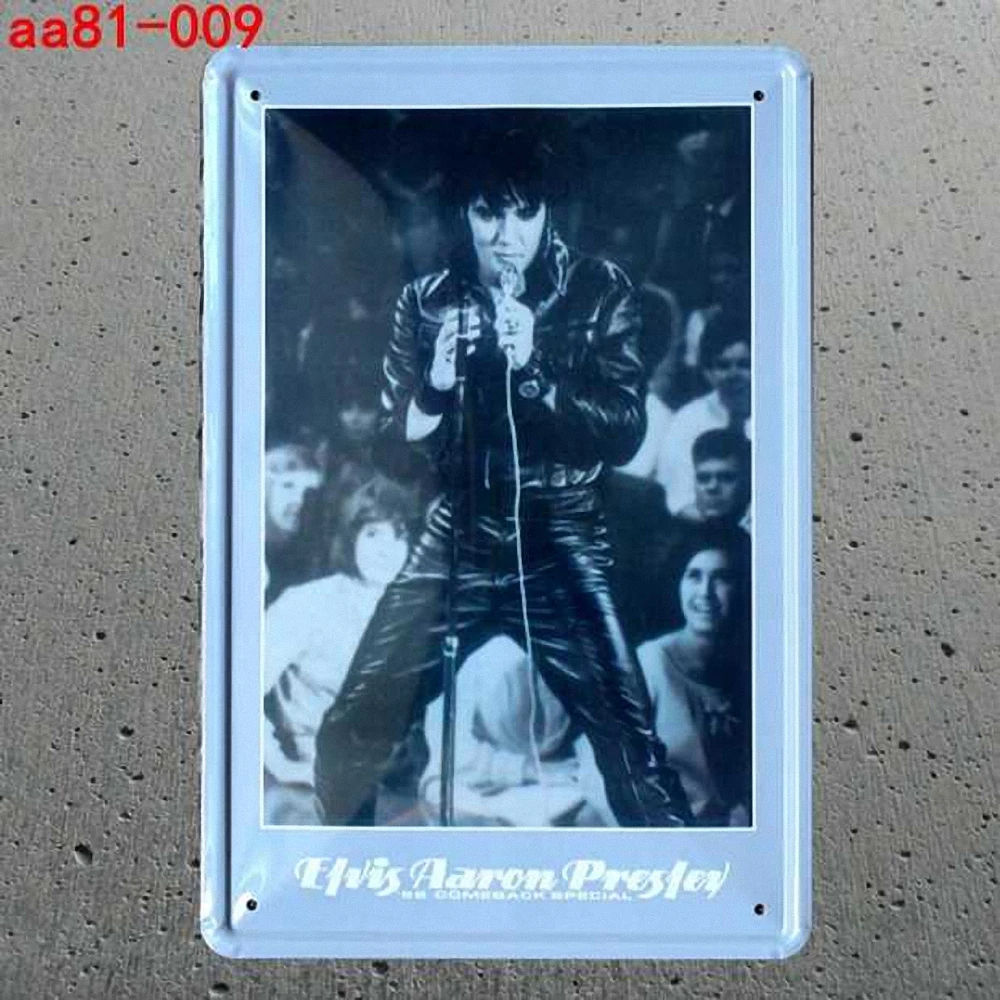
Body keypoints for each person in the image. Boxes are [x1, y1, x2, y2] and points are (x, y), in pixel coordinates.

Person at [314, 124, 693, 828]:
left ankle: (689, 885)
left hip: (559, 536)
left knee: (633, 752)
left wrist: (536, 369)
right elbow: (392, 454)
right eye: (489, 213)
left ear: (547, 212)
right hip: (457, 536)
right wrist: (434, 385)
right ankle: (344, 872)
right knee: (349, 729)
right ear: (466, 214)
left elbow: (623, 433)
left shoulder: (597, 290)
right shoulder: (426, 300)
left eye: (524, 212)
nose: (507, 234)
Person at [263, 478, 416, 826]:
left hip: (399, 790)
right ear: (350, 537)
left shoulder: (415, 612)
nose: (386, 550)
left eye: (399, 536)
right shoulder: (305, 603)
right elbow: (238, 690)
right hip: (313, 790)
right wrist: (278, 764)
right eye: (372, 534)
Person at [419, 635, 616, 827]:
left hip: (564, 770)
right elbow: (446, 769)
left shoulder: (573, 671)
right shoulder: (465, 681)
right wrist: (526, 770)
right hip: (496, 785)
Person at [637, 526, 752, 826]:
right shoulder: (650, 663)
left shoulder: (749, 664)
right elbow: (607, 771)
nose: (705, 592)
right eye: (694, 576)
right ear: (677, 583)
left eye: (722, 578)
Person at [677, 428, 751, 531]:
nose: (712, 487)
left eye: (726, 478)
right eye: (703, 478)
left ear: (747, 482)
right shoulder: (682, 526)